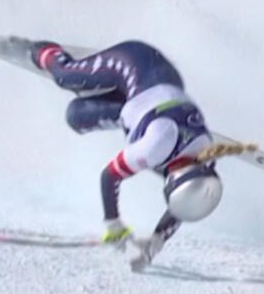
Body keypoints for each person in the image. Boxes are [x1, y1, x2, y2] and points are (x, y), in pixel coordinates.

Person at [30, 39, 223, 269]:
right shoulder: (156, 146)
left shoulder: (204, 163)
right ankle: (42, 51)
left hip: (152, 97)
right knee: (65, 77)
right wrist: (114, 225)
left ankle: (108, 90)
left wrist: (154, 244)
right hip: (137, 65)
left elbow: (185, 204)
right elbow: (109, 176)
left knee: (75, 117)